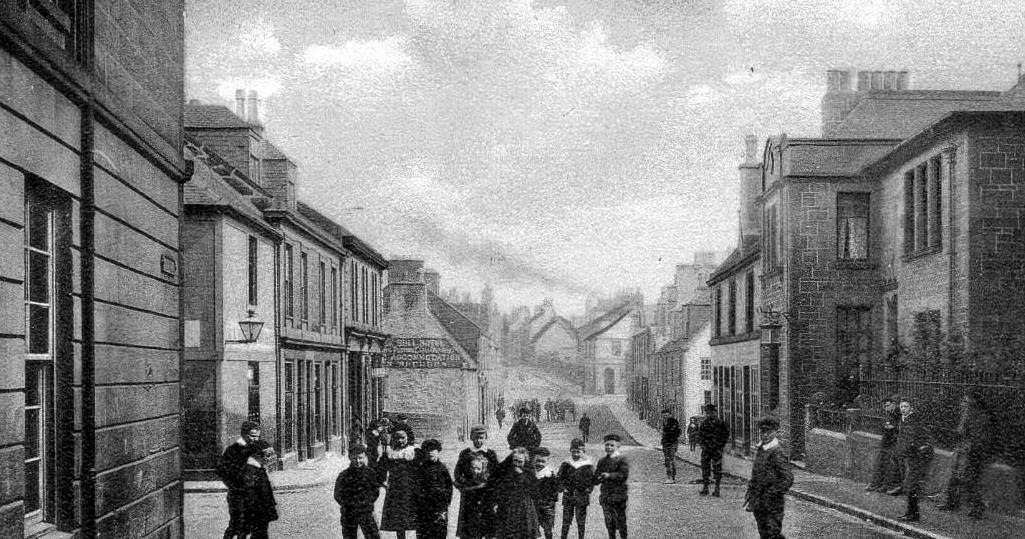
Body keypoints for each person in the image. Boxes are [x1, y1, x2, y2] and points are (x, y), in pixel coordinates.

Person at [938, 390, 994, 518]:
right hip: (971, 451)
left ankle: (975, 506)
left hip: (969, 452)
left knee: (965, 478)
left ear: (972, 402)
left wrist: (964, 447)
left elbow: (962, 431)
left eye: (964, 401)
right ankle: (955, 502)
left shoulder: (971, 413)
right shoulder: (979, 414)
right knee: (961, 478)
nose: (961, 403)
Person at [744, 417, 794, 539]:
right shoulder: (761, 448)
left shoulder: (777, 452)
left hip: (772, 504)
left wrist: (772, 492)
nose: (765, 435)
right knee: (764, 534)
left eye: (769, 432)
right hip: (759, 501)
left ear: (775, 432)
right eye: (762, 432)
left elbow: (788, 478)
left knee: (773, 534)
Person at [218, 421, 262, 539]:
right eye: (253, 436)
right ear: (244, 434)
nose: (255, 439)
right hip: (237, 495)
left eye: (257, 437)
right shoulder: (232, 450)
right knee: (236, 525)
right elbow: (223, 471)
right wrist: (234, 486)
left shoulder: (254, 449)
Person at [455, 425, 500, 539]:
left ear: (485, 438)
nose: (478, 441)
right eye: (476, 437)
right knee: (470, 524)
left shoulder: (490, 454)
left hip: (486, 495)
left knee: (486, 524)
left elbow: (497, 474)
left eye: (481, 437)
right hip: (470, 495)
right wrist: (465, 483)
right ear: (471, 437)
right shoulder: (465, 453)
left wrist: (489, 484)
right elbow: (458, 472)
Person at [379, 426, 422, 538]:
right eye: (397, 437)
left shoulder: (414, 451)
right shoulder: (389, 453)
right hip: (395, 490)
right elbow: (380, 470)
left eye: (403, 438)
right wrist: (383, 482)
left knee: (416, 517)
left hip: (411, 489)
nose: (400, 441)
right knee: (398, 520)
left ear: (408, 437)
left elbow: (422, 470)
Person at [895, 399, 933, 522]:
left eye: (906, 406)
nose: (903, 408)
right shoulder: (903, 419)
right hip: (908, 456)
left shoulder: (915, 420)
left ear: (911, 408)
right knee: (910, 484)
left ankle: (914, 513)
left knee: (912, 484)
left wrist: (920, 446)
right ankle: (911, 512)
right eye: (901, 406)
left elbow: (921, 436)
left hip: (915, 456)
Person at [334, 443, 383, 539]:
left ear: (365, 457)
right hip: (349, 512)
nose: (358, 461)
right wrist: (348, 504)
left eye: (360, 458)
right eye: (354, 458)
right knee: (349, 536)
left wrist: (367, 502)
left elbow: (375, 491)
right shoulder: (344, 475)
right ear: (349, 458)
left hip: (366, 511)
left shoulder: (370, 473)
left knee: (373, 535)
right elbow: (338, 494)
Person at [493, 447, 540, 539]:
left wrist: (521, 475)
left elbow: (534, 489)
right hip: (508, 505)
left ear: (525, 461)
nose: (517, 464)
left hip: (524, 506)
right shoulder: (506, 471)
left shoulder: (529, 472)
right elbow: (500, 487)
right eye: (515, 461)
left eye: (520, 461)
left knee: (524, 531)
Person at [240, 439, 278, 539]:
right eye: (267, 455)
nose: (268, 459)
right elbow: (249, 494)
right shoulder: (252, 470)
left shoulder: (258, 468)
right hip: (257, 513)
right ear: (257, 455)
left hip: (261, 512)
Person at [416, 439, 453, 539]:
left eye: (433, 450)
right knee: (424, 532)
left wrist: (445, 505)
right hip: (424, 507)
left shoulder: (443, 468)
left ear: (438, 451)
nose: (430, 452)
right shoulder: (421, 469)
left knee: (440, 531)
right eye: (427, 450)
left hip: (439, 507)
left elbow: (449, 487)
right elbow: (417, 487)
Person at [593, 434, 629, 539]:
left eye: (612, 445)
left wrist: (609, 475)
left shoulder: (622, 460)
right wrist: (596, 478)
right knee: (609, 522)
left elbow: (623, 475)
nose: (609, 447)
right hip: (606, 497)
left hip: (619, 496)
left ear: (618, 446)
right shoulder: (602, 461)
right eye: (607, 445)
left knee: (621, 521)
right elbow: (596, 478)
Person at [557, 438, 594, 539]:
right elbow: (559, 477)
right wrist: (562, 488)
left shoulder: (587, 464)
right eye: (574, 451)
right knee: (566, 521)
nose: (576, 454)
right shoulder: (566, 463)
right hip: (568, 496)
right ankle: (563, 537)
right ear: (570, 451)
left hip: (582, 496)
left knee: (581, 521)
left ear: (583, 452)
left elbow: (592, 479)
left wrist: (588, 489)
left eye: (579, 452)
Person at [866, 395, 903, 493]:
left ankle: (889, 485)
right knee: (881, 462)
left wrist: (892, 428)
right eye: (884, 406)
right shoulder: (891, 414)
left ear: (894, 404)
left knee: (890, 463)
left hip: (894, 443)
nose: (885, 408)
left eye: (887, 405)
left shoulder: (898, 414)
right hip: (887, 442)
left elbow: (899, 429)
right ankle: (879, 484)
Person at [697, 404, 729, 497]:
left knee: (715, 467)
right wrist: (703, 445)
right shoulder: (705, 423)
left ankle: (716, 488)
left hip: (715, 449)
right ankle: (707, 488)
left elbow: (725, 435)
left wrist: (720, 445)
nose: (709, 414)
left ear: (714, 412)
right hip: (708, 449)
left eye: (710, 412)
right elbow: (700, 435)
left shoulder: (720, 423)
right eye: (707, 413)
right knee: (707, 467)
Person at [531, 447, 560, 539]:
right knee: (532, 528)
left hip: (547, 506)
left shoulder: (550, 474)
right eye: (537, 461)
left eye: (543, 461)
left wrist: (550, 503)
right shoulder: (530, 474)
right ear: (533, 459)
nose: (539, 464)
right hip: (533, 505)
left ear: (547, 461)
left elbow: (554, 492)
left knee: (548, 528)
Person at [660, 408, 682, 483]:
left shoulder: (674, 422)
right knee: (667, 460)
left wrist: (670, 437)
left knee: (670, 460)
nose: (665, 417)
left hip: (672, 443)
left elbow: (678, 432)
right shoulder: (664, 422)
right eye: (663, 416)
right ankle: (671, 477)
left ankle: (671, 477)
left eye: (666, 415)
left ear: (670, 414)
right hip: (666, 443)